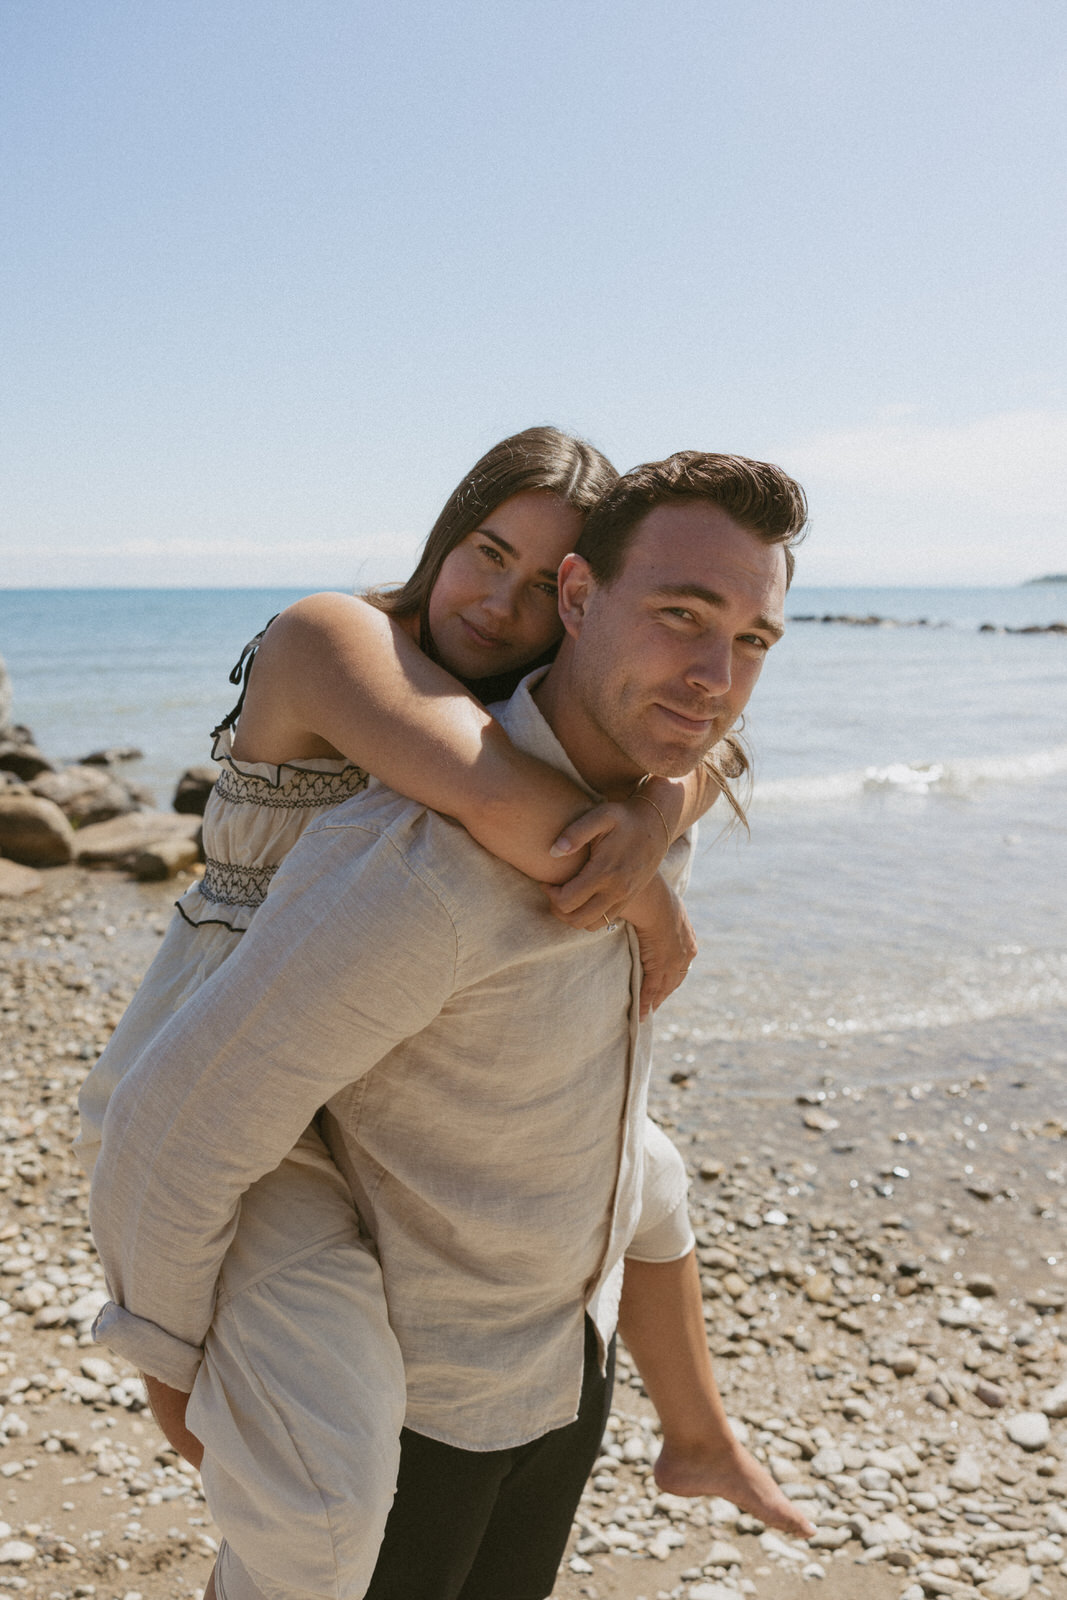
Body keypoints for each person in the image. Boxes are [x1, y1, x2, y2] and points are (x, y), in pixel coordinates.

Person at [89, 448, 812, 1599]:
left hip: (559, 1363)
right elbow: (173, 1129)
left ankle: (699, 1431)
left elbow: (696, 739)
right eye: (679, 614)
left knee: (649, 1178)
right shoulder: (378, 733)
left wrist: (652, 826)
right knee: (308, 1526)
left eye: (752, 640)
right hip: (414, 1396)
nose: (714, 673)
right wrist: (170, 1364)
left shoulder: (628, 773)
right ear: (587, 598)